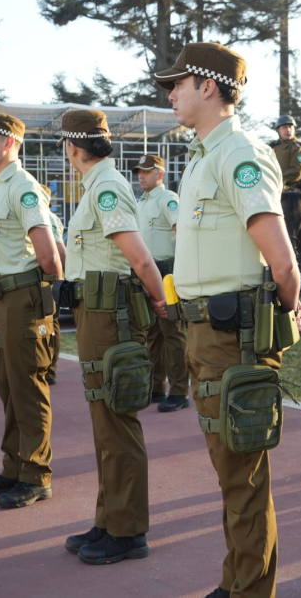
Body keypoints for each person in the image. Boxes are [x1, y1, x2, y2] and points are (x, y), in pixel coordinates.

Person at [152, 41, 301, 598]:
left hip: (232, 335)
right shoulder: (203, 154)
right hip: (203, 331)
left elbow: (281, 258)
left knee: (242, 472)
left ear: (209, 87)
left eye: (177, 84)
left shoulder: (238, 152)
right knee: (228, 468)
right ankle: (237, 580)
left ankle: (251, 590)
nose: (170, 94)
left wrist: (287, 305)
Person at [58, 109, 168, 565]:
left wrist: (163, 305)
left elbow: (140, 260)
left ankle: (128, 531)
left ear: (72, 148)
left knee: (117, 421)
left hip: (110, 316)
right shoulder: (98, 185)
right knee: (106, 422)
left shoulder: (105, 187)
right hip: (94, 312)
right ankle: (108, 519)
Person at [0, 112, 62, 509]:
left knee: (27, 388)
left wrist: (37, 293)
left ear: (8, 142)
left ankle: (36, 475)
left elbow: (49, 256)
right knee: (8, 387)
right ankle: (14, 467)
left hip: (21, 300)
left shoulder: (23, 188)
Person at [133, 153, 189, 412]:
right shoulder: (141, 203)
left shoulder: (169, 199)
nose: (141, 176)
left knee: (173, 334)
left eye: (147, 171)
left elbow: (182, 233)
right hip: (146, 272)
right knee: (152, 335)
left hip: (167, 273)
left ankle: (178, 392)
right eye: (139, 172)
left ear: (160, 174)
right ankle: (156, 387)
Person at [41, 183, 66, 387]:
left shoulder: (48, 218)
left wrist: (60, 280)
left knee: (51, 324)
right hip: (41, 279)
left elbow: (59, 250)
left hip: (48, 280)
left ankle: (50, 368)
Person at [270, 115, 301, 191]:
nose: (288, 130)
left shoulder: (297, 147)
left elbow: (296, 170)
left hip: (291, 190)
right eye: (284, 127)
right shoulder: (272, 147)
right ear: (278, 130)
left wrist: (277, 180)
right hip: (273, 186)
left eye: (290, 127)